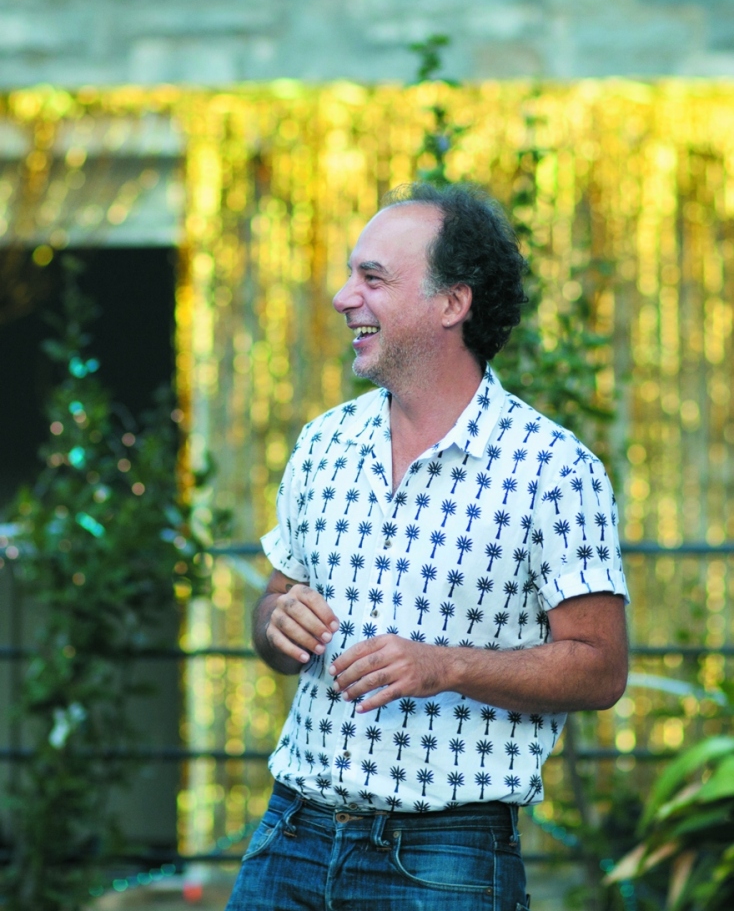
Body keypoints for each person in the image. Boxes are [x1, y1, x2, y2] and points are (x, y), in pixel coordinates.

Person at [224, 182, 628, 911]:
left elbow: (600, 668)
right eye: (351, 275)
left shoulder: (554, 469)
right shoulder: (322, 443)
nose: (344, 297)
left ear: (452, 303)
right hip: (290, 833)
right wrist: (275, 621)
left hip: (447, 860)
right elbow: (272, 615)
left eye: (373, 278)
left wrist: (445, 666)